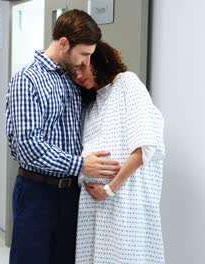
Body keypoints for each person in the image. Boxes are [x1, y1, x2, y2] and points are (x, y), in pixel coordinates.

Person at [6, 9, 121, 264]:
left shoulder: (73, 79)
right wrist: (81, 164)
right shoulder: (27, 80)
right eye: (84, 54)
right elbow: (28, 146)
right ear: (63, 43)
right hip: (37, 193)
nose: (86, 63)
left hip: (72, 195)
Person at [72, 41, 165, 263]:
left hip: (125, 203)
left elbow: (144, 147)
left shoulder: (127, 83)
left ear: (99, 60)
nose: (78, 75)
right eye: (73, 71)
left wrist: (110, 189)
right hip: (96, 208)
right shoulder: (93, 104)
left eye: (82, 66)